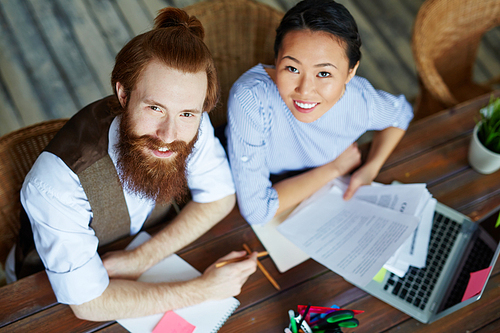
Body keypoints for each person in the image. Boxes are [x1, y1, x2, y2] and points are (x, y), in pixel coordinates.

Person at [6, 8, 257, 321]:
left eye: (187, 114)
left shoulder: (190, 121)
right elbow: (89, 303)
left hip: (138, 260)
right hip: (46, 293)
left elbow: (219, 198)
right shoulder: (55, 182)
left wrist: (142, 257)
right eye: (154, 108)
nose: (169, 135)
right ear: (123, 94)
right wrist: (204, 290)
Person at [226, 0, 413, 225]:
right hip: (255, 176)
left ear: (350, 72)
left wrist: (370, 169)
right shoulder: (251, 98)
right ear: (276, 61)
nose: (304, 90)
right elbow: (256, 210)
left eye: (324, 73)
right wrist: (334, 168)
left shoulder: (360, 101)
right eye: (292, 68)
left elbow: (401, 114)